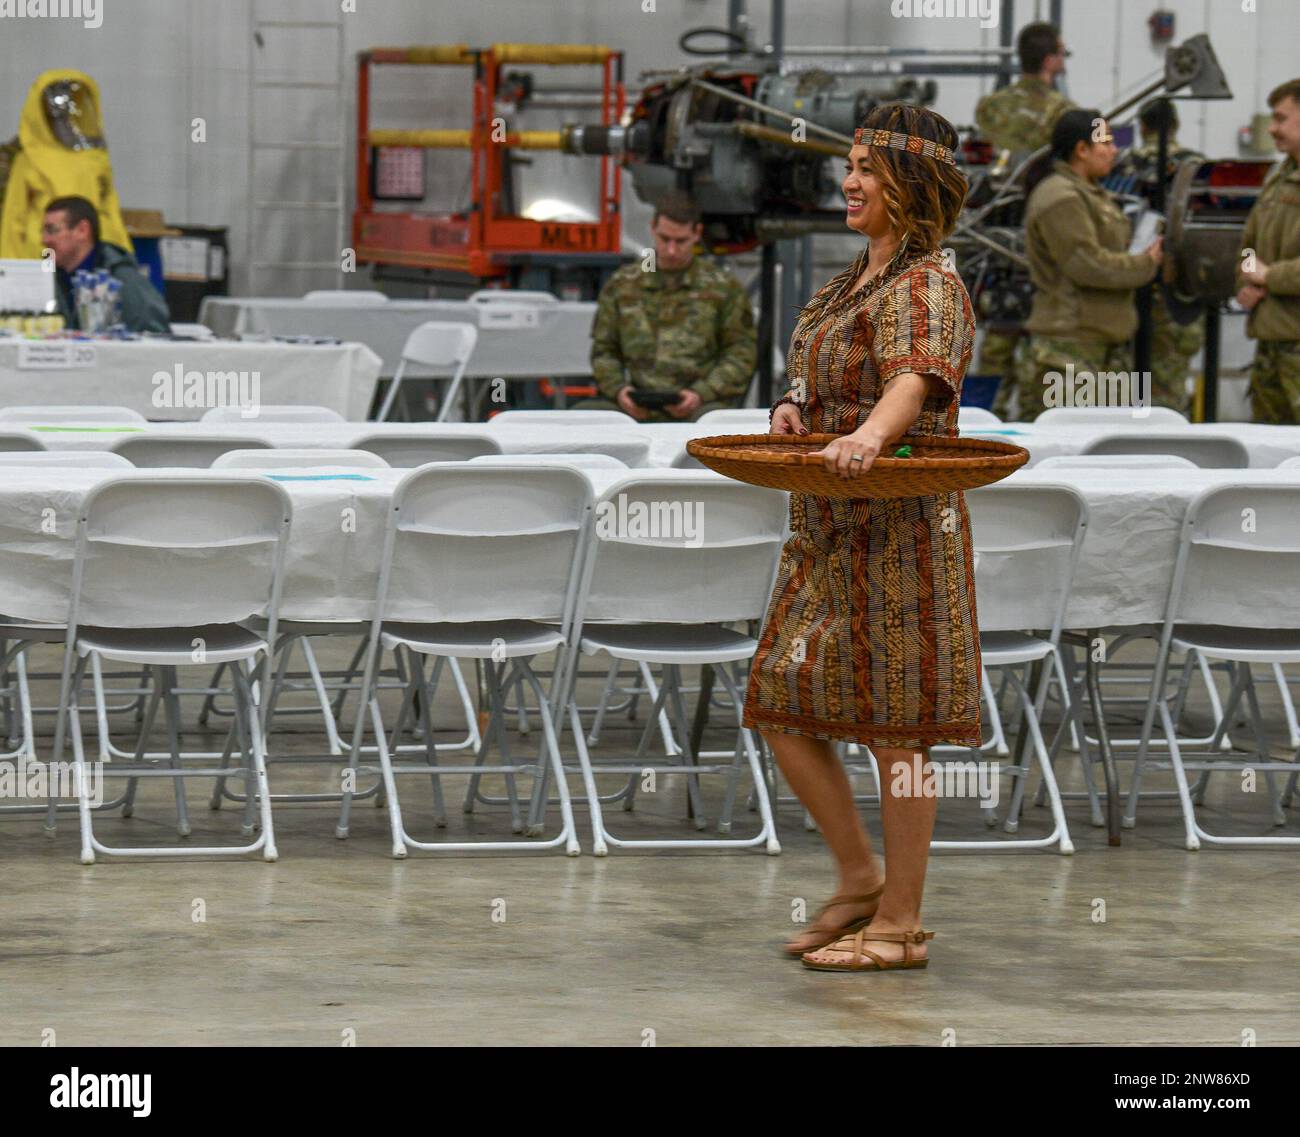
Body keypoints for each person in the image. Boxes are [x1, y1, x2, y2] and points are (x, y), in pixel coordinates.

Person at [742, 103, 976, 973]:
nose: (849, 181)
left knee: (897, 729)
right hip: (828, 523)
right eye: (850, 164)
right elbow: (819, 369)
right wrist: (793, 407)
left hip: (902, 526)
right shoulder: (852, 279)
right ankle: (857, 877)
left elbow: (914, 379)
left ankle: (902, 923)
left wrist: (872, 436)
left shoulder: (927, 282)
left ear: (910, 186)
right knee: (775, 694)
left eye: (869, 170)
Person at [1017, 110, 1163, 418]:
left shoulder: (1092, 195)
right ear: (1081, 150)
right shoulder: (1062, 197)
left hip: (1099, 348)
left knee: (1106, 451)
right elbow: (1087, 265)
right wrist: (1144, 263)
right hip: (1070, 352)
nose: (1113, 151)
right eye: (1106, 143)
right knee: (1072, 451)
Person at [582, 191, 756, 422]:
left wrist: (702, 393)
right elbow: (604, 350)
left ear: (697, 234)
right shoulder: (625, 283)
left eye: (681, 241)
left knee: (719, 423)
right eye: (665, 239)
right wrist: (619, 390)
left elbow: (740, 353)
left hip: (698, 407)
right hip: (635, 404)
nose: (672, 250)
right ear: (652, 229)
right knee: (585, 418)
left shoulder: (722, 287)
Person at [974, 21, 1074, 416]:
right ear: (1049, 60)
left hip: (993, 231)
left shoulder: (991, 106)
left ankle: (981, 421)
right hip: (1042, 232)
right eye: (1062, 54)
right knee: (1040, 333)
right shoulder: (1063, 113)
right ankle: (1037, 424)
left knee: (997, 335)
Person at [1113, 99, 1205, 415]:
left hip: (1127, 289)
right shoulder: (1195, 165)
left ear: (1142, 126)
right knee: (1169, 386)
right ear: (1176, 125)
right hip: (1177, 289)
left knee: (1122, 387)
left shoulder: (1123, 163)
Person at [1, 69, 133, 261]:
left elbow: (109, 208)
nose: (63, 117)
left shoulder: (94, 158)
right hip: (45, 249)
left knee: (93, 289)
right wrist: (10, 269)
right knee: (53, 290)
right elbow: (14, 218)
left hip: (91, 247)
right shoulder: (29, 158)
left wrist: (123, 252)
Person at [1236, 78, 1300, 425]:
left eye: (1281, 118)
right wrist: (1247, 279)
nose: (1272, 129)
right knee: (1270, 459)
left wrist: (1269, 276)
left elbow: (1264, 268)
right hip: (1272, 345)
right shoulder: (1278, 176)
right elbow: (1249, 246)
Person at [43, 196, 170, 333]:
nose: (44, 240)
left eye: (52, 230)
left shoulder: (122, 278)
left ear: (82, 230)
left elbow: (156, 334)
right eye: (43, 231)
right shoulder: (48, 276)